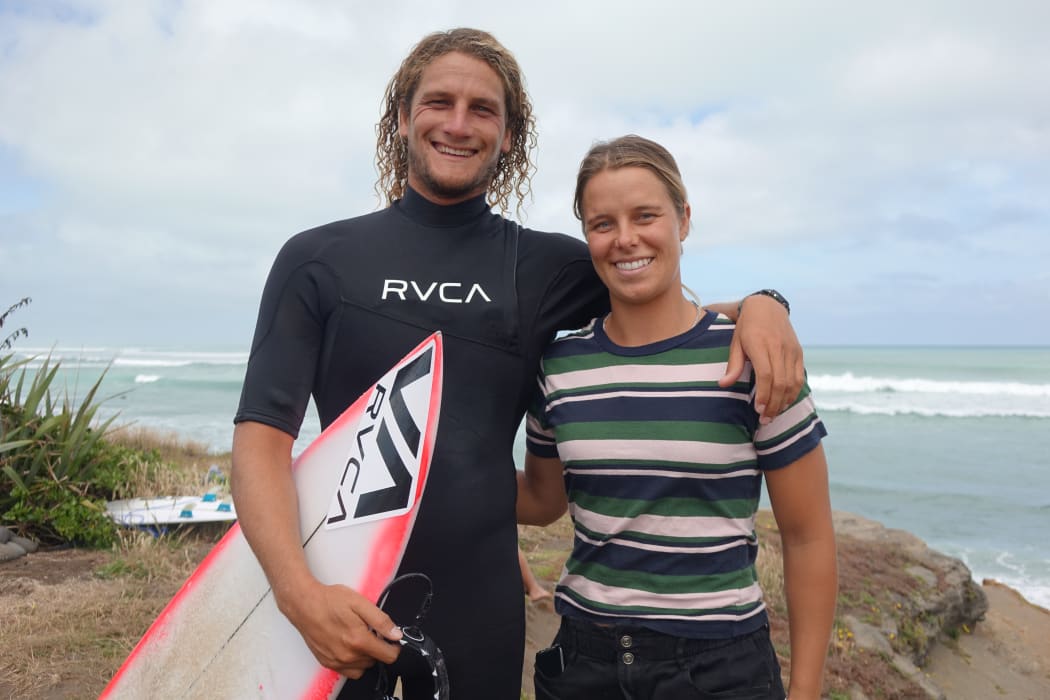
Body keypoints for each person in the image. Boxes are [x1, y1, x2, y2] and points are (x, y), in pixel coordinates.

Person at [231, 28, 804, 700]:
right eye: (438, 102)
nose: (457, 123)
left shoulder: (548, 268)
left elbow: (661, 302)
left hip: (482, 606)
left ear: (510, 137)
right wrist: (299, 596)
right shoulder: (319, 261)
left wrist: (764, 305)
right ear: (400, 118)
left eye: (483, 110)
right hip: (340, 592)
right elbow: (261, 440)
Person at [517, 135, 837, 700]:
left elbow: (807, 536)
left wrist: (806, 689)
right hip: (583, 663)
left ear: (683, 219)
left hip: (720, 668)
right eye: (602, 223)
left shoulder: (753, 355)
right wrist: (438, 472)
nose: (626, 239)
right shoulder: (560, 365)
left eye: (646, 216)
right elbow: (543, 502)